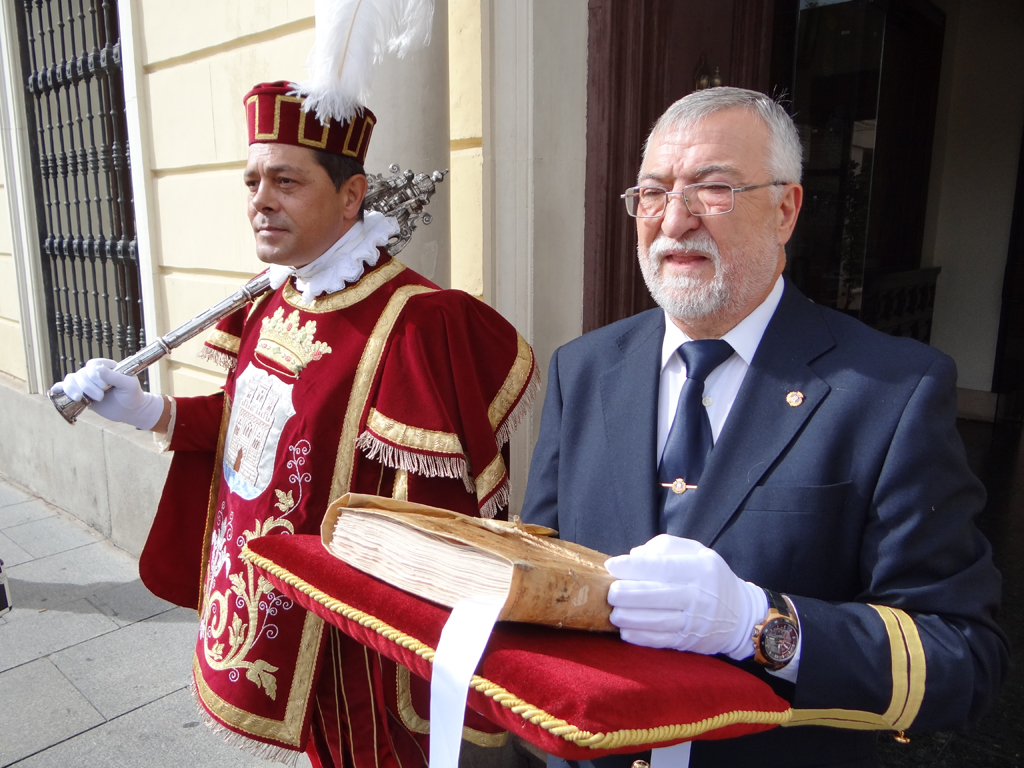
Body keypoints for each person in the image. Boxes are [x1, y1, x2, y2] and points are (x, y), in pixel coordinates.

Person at [54, 81, 539, 768]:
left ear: (350, 196)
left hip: (358, 650)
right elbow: (251, 435)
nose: (260, 199)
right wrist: (147, 411)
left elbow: (440, 516)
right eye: (252, 180)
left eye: (286, 180)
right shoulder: (272, 296)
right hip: (275, 610)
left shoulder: (420, 321)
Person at [521, 87, 1009, 767]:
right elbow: (545, 582)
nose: (675, 220)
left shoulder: (890, 391)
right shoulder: (585, 368)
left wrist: (759, 625)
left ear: (785, 209)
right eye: (654, 192)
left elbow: (962, 657)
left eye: (713, 189)